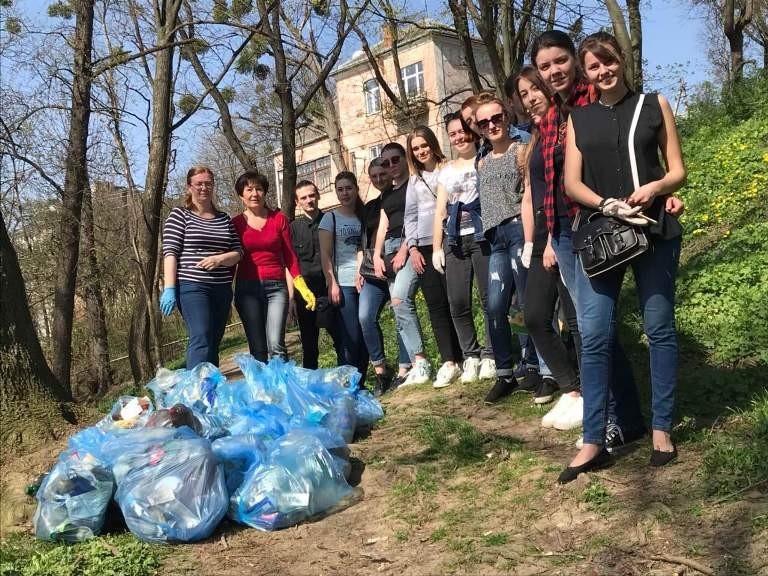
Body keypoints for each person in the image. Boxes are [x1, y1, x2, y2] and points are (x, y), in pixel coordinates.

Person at [532, 29, 685, 447]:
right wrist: (600, 208)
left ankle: (656, 428)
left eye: (560, 61)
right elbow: (562, 183)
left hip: (646, 227)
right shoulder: (560, 117)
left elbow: (668, 167)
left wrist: (660, 192)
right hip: (590, 233)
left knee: (655, 328)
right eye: (545, 66)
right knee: (593, 330)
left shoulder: (646, 104)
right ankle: (596, 434)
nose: (603, 71)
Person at [513, 66, 584, 427]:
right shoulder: (535, 138)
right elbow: (529, 194)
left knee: (575, 317)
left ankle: (587, 392)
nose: (530, 99)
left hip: (565, 229)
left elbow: (564, 184)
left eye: (534, 90)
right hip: (541, 233)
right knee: (536, 316)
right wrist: (531, 241)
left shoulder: (564, 124)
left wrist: (554, 240)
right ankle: (571, 389)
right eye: (524, 94)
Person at [432, 113, 495, 383]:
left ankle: (492, 355)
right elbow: (440, 211)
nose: (459, 137)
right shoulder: (446, 172)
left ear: (472, 131)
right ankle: (471, 355)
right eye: (453, 134)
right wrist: (437, 247)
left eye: (462, 131)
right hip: (455, 241)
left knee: (488, 300)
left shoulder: (485, 160)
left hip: (482, 238)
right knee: (457, 301)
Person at [160, 166, 242, 368]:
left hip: (221, 289)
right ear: (189, 187)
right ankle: (194, 392)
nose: (204, 188)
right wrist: (170, 288)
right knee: (201, 336)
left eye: (208, 183)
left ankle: (210, 392)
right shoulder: (180, 215)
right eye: (199, 184)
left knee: (213, 341)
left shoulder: (224, 219)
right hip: (193, 287)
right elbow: (170, 252)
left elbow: (238, 252)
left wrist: (220, 259)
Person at [231, 171, 316, 363]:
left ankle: (283, 390)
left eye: (259, 189)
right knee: (258, 349)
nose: (255, 194)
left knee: (276, 344)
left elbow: (290, 256)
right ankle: (264, 392)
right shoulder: (235, 224)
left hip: (276, 288)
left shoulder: (279, 219)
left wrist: (301, 285)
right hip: (247, 290)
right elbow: (231, 260)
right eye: (249, 190)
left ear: (265, 192)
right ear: (241, 196)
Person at [403, 128, 464, 388]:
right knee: (436, 306)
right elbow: (410, 216)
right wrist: (413, 248)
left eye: (424, 145)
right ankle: (448, 359)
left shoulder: (448, 169)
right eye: (415, 148)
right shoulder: (414, 181)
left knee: (457, 301)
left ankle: (467, 355)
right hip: (425, 248)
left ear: (432, 144)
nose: (421, 151)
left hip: (451, 241)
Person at [372, 142, 432, 387]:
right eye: (385, 163)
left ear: (404, 158)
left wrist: (405, 249)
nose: (390, 166)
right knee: (398, 310)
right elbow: (383, 226)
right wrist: (376, 255)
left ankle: (421, 362)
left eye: (395, 160)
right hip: (388, 249)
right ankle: (407, 367)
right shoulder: (387, 194)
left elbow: (416, 219)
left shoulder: (416, 184)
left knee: (399, 299)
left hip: (409, 245)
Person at [358, 158, 412, 395]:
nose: (379, 179)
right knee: (365, 317)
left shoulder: (401, 195)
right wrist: (361, 268)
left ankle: (404, 367)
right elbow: (364, 238)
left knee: (400, 313)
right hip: (372, 270)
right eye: (374, 176)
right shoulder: (369, 207)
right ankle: (381, 370)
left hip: (395, 262)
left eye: (382, 174)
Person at [319, 172, 368, 380]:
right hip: (344, 284)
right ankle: (347, 382)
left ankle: (363, 380)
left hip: (367, 280)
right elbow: (325, 254)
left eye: (348, 188)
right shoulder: (330, 218)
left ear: (356, 188)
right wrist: (332, 283)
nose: (345, 193)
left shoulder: (365, 215)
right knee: (351, 334)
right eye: (340, 189)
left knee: (366, 331)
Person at [290, 180, 342, 369]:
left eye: (312, 195)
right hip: (305, 294)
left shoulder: (332, 220)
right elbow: (290, 264)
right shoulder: (293, 228)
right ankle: (310, 386)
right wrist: (292, 299)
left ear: (318, 196)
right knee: (310, 345)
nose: (309, 200)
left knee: (340, 338)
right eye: (304, 198)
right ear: (297, 202)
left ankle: (347, 379)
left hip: (330, 289)